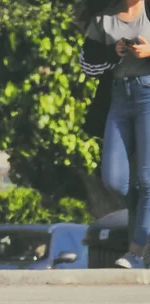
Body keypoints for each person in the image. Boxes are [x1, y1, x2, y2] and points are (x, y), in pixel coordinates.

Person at [79, 0, 150, 268]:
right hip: (118, 98)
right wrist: (113, 53)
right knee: (114, 179)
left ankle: (135, 252)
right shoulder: (103, 19)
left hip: (148, 94)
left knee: (147, 179)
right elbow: (87, 65)